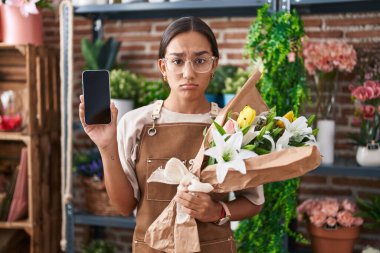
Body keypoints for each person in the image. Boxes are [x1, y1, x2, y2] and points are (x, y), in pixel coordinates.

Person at [79, 16, 264, 253]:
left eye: (200, 60)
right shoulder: (136, 123)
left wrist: (217, 212)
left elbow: (254, 201)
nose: (188, 73)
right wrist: (106, 147)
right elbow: (124, 206)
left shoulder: (232, 125)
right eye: (177, 61)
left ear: (213, 65)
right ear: (163, 67)